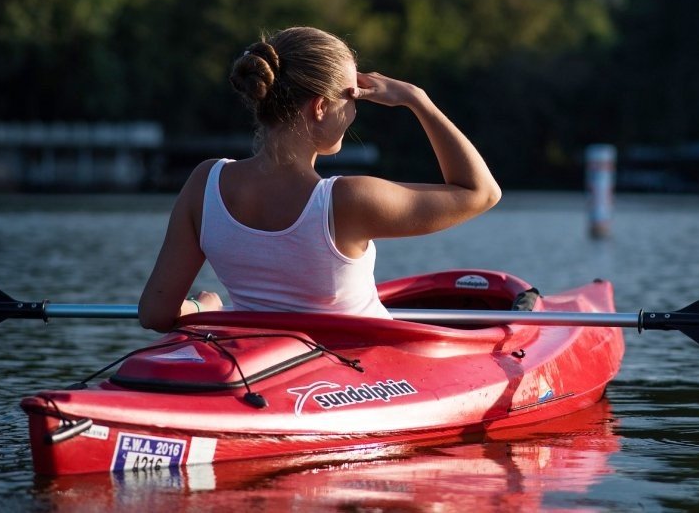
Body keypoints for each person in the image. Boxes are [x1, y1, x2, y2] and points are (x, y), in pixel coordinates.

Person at [138, 26, 501, 331]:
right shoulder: (348, 200)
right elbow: (481, 192)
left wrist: (206, 311)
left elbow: (156, 313)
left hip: (269, 373)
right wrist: (417, 100)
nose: (356, 108)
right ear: (321, 107)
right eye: (352, 96)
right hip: (360, 379)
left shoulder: (205, 183)